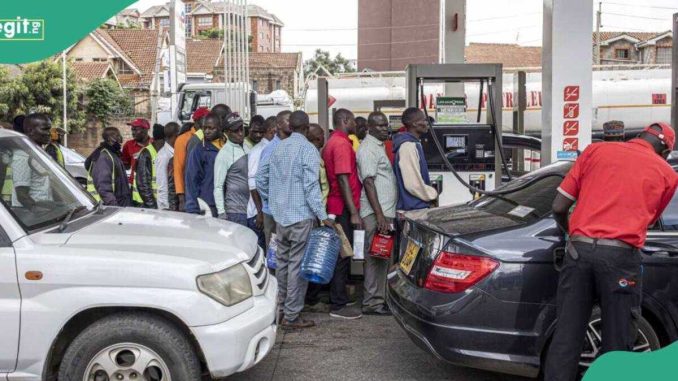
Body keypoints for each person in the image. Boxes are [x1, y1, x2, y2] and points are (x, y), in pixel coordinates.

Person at [544, 122, 678, 381]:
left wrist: (574, 235)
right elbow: (649, 219)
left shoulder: (594, 151)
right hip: (619, 258)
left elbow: (559, 206)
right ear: (664, 152)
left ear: (637, 137)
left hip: (578, 252)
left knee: (566, 337)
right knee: (618, 340)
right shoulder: (667, 173)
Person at [259, 110, 334, 329]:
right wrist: (322, 215)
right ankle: (292, 316)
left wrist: (273, 200)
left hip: (280, 216)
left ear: (290, 126)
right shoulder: (308, 149)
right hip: (301, 216)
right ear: (307, 127)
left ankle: (281, 309)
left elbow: (261, 178)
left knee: (281, 263)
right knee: (296, 266)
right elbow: (311, 187)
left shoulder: (277, 147)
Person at [322, 108, 363, 320]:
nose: (356, 124)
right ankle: (338, 305)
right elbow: (343, 179)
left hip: (338, 205)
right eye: (354, 121)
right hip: (341, 207)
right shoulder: (340, 144)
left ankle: (340, 299)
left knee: (342, 254)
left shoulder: (334, 142)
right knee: (342, 255)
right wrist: (354, 212)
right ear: (346, 120)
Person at [357, 112, 397, 316]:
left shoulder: (377, 146)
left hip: (384, 212)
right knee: (375, 258)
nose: (384, 128)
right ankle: (372, 303)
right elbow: (368, 182)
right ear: (369, 128)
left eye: (386, 125)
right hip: (376, 214)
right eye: (380, 126)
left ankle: (379, 300)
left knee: (383, 259)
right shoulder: (368, 149)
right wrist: (380, 215)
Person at [256, 110, 292, 248]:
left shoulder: (290, 145)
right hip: (272, 212)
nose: (291, 123)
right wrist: (271, 198)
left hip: (287, 212)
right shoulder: (272, 148)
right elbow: (260, 178)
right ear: (278, 125)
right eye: (288, 120)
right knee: (274, 254)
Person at [393, 107, 438, 211]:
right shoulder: (407, 147)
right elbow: (412, 184)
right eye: (424, 120)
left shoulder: (414, 144)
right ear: (414, 123)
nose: (427, 123)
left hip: (416, 207)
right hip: (413, 209)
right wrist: (432, 194)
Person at [12, 114, 55, 209]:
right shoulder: (22, 156)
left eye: (49, 129)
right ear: (30, 131)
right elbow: (22, 196)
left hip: (46, 212)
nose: (49, 133)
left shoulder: (39, 153)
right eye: (44, 129)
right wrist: (38, 211)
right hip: (32, 217)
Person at [214, 115, 249, 225]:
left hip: (251, 210)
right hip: (235, 212)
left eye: (241, 129)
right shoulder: (224, 154)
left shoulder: (247, 147)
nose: (240, 133)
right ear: (227, 133)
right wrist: (221, 212)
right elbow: (218, 186)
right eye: (235, 131)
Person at [184, 112, 222, 216]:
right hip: (207, 204)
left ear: (219, 128)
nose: (207, 131)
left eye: (211, 128)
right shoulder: (199, 149)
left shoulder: (226, 146)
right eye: (204, 128)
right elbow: (191, 179)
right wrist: (192, 208)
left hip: (225, 203)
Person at [247, 116, 276, 249]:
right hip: (258, 212)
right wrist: (260, 212)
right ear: (272, 130)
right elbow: (253, 183)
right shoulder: (259, 150)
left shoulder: (269, 147)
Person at [85, 127, 132, 206]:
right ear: (110, 138)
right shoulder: (104, 157)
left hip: (120, 204)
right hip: (108, 206)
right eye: (117, 135)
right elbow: (103, 187)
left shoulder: (113, 154)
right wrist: (114, 207)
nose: (120, 138)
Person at [174, 107, 209, 211]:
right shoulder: (183, 139)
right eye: (205, 118)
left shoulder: (208, 136)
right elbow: (178, 168)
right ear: (196, 121)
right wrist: (181, 198)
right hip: (188, 192)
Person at [132, 124, 165, 208]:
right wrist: (152, 206)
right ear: (162, 140)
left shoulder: (160, 153)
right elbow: (143, 184)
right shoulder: (146, 153)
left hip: (154, 202)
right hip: (144, 203)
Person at [156, 122, 180, 211]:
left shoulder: (174, 151)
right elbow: (162, 184)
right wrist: (165, 206)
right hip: (167, 205)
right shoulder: (163, 155)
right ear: (175, 135)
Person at [121, 118, 151, 184]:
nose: (133, 133)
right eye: (132, 129)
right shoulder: (128, 145)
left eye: (136, 129)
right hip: (135, 186)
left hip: (153, 184)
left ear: (145, 130)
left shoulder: (155, 144)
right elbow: (126, 164)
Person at [307, 124, 329, 204]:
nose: (324, 137)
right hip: (318, 207)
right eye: (323, 134)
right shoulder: (313, 156)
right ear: (318, 138)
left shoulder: (312, 153)